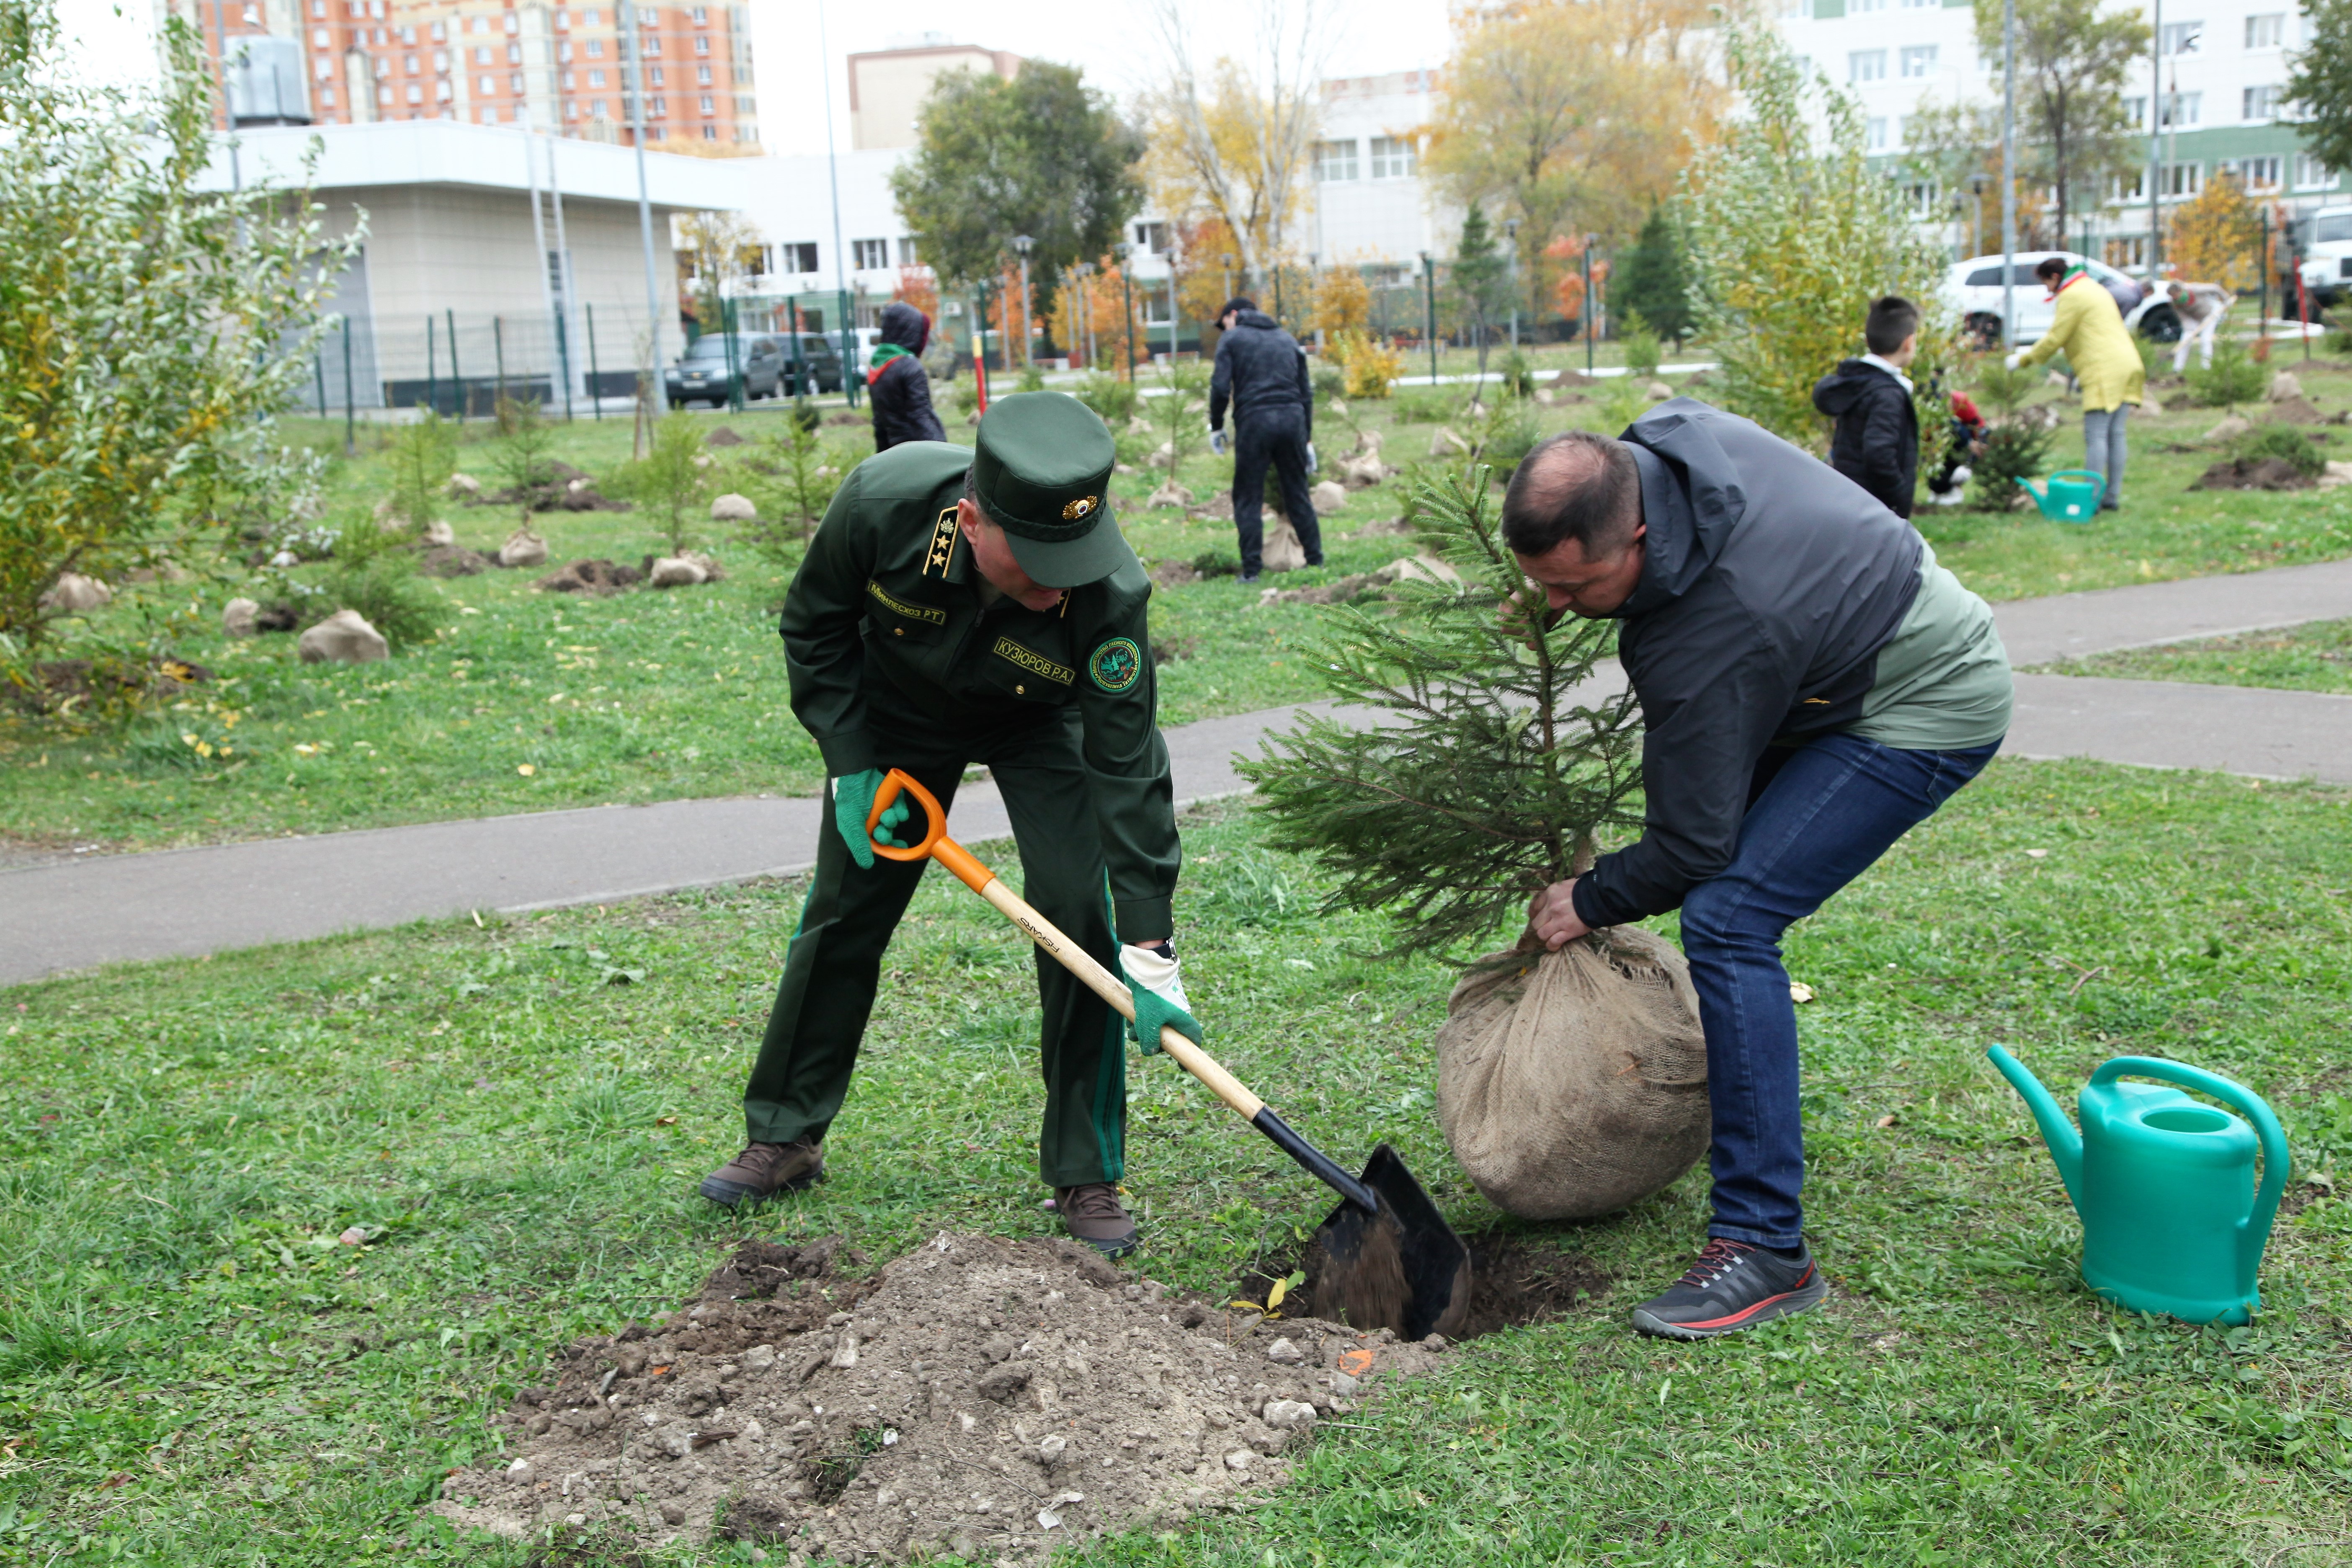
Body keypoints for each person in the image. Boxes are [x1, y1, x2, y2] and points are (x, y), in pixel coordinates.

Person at [1502, 404, 2013, 1340]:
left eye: (1574, 587)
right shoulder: (1662, 440)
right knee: (1729, 886)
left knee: (1731, 916)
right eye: (1540, 583)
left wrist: (1593, 897)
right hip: (1831, 655)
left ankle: (1766, 1245)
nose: (1555, 608)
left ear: (1639, 539)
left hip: (1925, 698)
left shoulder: (1716, 628)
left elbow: (1696, 850)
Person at [699, 394, 1201, 1259]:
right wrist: (851, 760)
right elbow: (814, 625)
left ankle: (1086, 1168)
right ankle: (786, 1132)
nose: (1062, 582)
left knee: (1078, 913)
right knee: (847, 905)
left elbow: (1128, 768)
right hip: (898, 715)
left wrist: (1150, 952)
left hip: (1044, 724)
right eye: (1041, 561)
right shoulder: (884, 505)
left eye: (1075, 555)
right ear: (971, 522)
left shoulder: (1103, 594)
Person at [2008, 256, 2144, 512]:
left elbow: (2056, 337)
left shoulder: (2072, 295)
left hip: (2105, 369)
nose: (2046, 289)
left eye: (2045, 283)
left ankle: (2091, 500)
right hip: (2128, 362)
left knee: (2096, 436)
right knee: (2116, 434)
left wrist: (2023, 360)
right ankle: (2111, 498)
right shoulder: (2092, 287)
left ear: (2056, 278)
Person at [1207, 297, 1323, 583]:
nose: (1225, 330)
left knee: (1248, 496)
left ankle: (1251, 571)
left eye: (1225, 324)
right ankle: (1316, 561)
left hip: (1255, 422)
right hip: (1293, 419)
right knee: (1297, 491)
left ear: (1233, 315)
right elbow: (1306, 392)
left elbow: (1221, 388)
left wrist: (1217, 426)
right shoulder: (1287, 340)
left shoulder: (1232, 340)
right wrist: (1306, 439)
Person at [1811, 295, 1922, 518]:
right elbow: (1879, 453)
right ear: (1908, 343)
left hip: (1852, 498)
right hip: (1875, 508)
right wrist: (1899, 497)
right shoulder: (1887, 394)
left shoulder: (1859, 383)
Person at [867, 301, 946, 452]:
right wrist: (943, 451)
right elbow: (921, 415)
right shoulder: (909, 366)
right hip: (917, 451)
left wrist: (880, 459)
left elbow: (879, 423)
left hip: (893, 452)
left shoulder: (877, 365)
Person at [1924, 390, 1987, 506]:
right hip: (1939, 449)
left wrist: (1970, 462)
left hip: (1963, 447)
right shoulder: (1932, 414)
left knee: (1955, 427)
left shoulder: (1963, 404)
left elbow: (1981, 428)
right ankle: (1940, 489)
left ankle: (1956, 487)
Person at [2160, 279, 2233, 372]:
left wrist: (2227, 299)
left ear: (2180, 291)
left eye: (2175, 295)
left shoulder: (2194, 289)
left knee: (2206, 339)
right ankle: (2177, 368)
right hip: (2194, 319)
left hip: (2210, 314)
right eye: (2172, 296)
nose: (2175, 298)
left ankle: (2206, 367)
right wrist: (2189, 329)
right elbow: (2184, 318)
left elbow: (2215, 288)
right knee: (2185, 339)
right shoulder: (2175, 303)